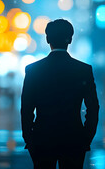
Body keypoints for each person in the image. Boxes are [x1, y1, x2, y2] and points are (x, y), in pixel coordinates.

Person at [21, 19, 100, 169]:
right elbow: (93, 107)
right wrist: (85, 138)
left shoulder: (33, 70)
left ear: (47, 39)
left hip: (42, 138)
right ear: (70, 39)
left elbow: (26, 108)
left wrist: (30, 139)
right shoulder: (83, 70)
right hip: (73, 138)